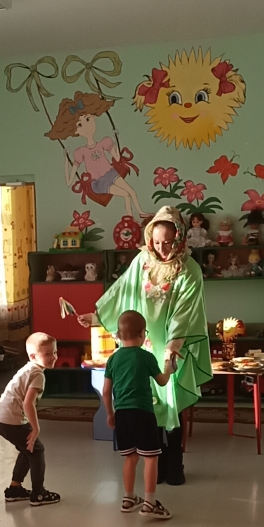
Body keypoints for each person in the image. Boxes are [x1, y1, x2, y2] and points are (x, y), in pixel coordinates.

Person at [78, 205, 212, 484]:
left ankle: (174, 466)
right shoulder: (142, 260)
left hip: (171, 345)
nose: (162, 249)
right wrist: (96, 316)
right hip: (141, 345)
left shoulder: (189, 269)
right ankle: (155, 462)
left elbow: (184, 312)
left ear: (179, 238)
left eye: (168, 242)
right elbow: (121, 292)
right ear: (150, 238)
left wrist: (173, 346)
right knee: (147, 404)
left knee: (171, 403)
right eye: (157, 242)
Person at [103, 311, 174, 519]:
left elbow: (106, 391)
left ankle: (128, 498)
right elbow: (162, 381)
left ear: (118, 335)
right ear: (143, 333)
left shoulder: (113, 359)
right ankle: (150, 503)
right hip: (143, 413)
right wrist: (168, 369)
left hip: (122, 414)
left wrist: (110, 413)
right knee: (150, 457)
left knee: (130, 457)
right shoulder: (146, 356)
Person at [0, 332, 60, 506]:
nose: (53, 357)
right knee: (37, 450)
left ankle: (14, 489)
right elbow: (28, 403)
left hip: (1, 419)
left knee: (28, 450)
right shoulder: (38, 374)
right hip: (10, 420)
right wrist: (35, 428)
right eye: (47, 354)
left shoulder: (29, 368)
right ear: (33, 356)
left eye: (54, 352)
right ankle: (38, 494)